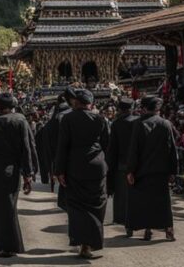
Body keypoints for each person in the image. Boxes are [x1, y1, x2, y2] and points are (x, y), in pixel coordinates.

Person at [0, 93, 36, 258]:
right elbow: (26, 147)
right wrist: (27, 173)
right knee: (8, 207)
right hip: (12, 170)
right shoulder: (20, 120)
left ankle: (7, 245)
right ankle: (2, 244)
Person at [54, 88, 109, 259]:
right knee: (96, 204)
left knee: (77, 206)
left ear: (75, 102)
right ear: (90, 104)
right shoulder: (101, 119)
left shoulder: (67, 119)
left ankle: (83, 244)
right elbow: (107, 144)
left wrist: (59, 171)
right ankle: (91, 243)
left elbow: (62, 146)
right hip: (97, 167)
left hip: (75, 166)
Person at [126, 96, 178, 242]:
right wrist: (173, 171)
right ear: (157, 108)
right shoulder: (165, 124)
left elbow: (134, 150)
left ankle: (148, 231)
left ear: (144, 108)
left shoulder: (138, 124)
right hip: (160, 171)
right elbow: (171, 150)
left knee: (145, 202)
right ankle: (169, 230)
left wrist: (130, 170)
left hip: (142, 171)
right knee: (163, 202)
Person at [106, 97, 139, 234]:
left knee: (122, 196)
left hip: (121, 165)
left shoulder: (116, 124)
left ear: (120, 109)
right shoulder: (138, 122)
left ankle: (126, 223)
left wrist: (109, 168)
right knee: (136, 195)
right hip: (138, 165)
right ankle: (137, 221)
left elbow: (112, 148)